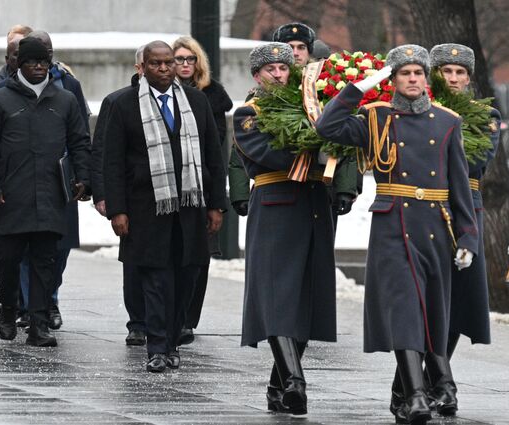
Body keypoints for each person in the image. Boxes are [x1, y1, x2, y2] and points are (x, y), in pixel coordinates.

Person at [315, 44, 479, 424]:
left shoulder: (447, 121)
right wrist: (357, 89)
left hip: (436, 226)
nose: (412, 80)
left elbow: (459, 185)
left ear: (426, 79)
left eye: (418, 73)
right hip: (393, 225)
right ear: (392, 80)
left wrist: (468, 237)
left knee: (431, 311)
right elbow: (327, 126)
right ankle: (418, 394)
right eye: (404, 73)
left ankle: (413, 392)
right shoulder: (375, 117)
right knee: (405, 308)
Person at [103, 41, 226, 373]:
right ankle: (156, 347)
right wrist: (117, 209)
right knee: (156, 280)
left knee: (186, 278)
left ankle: (171, 342)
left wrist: (217, 205)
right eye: (155, 64)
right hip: (145, 209)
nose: (163, 69)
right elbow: (111, 162)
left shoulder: (196, 102)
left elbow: (213, 154)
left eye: (168, 63)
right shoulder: (123, 104)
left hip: (190, 208)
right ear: (142, 66)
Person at [233, 42, 337, 417]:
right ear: (256, 75)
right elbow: (270, 153)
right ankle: (295, 381)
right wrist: (318, 145)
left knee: (306, 299)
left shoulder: (311, 108)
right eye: (270, 69)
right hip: (276, 203)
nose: (278, 74)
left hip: (312, 205)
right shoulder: (248, 112)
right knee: (278, 295)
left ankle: (279, 385)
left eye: (283, 68)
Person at [0, 37, 91, 347]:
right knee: (8, 258)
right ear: (19, 64)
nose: (39, 67)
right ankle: (9, 310)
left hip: (52, 194)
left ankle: (39, 324)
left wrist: (83, 177)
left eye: (44, 62)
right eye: (32, 62)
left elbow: (80, 141)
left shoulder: (64, 99)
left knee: (45, 260)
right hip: (11, 195)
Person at [411, 43, 501, 416]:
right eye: (446, 71)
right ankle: (427, 382)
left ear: (469, 77)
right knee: (427, 298)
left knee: (459, 301)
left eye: (459, 72)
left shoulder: (485, 116)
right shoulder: (419, 114)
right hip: (427, 211)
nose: (452, 78)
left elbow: (476, 161)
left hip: (466, 212)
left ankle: (434, 379)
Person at [229, 22, 360, 221]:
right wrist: (240, 192)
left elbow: (344, 140)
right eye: (290, 48)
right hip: (279, 184)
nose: (296, 53)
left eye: (301, 47)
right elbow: (241, 149)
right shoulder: (258, 97)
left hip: (321, 184)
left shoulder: (323, 90)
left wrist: (346, 188)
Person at [16, 30, 91, 331]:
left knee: (59, 247)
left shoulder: (69, 86)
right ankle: (31, 305)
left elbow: (81, 134)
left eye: (47, 54)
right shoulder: (3, 90)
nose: (42, 61)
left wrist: (84, 177)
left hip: (61, 179)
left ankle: (48, 296)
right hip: (22, 180)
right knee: (24, 248)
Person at [172, 35, 233, 345]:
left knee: (198, 257)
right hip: (167, 183)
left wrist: (216, 201)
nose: (184, 64)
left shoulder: (212, 98)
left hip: (201, 184)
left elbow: (216, 150)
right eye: (179, 59)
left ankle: (187, 319)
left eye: (190, 59)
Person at [91, 45, 147, 346]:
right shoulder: (118, 102)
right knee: (136, 260)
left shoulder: (183, 101)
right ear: (139, 68)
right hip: (131, 195)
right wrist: (105, 196)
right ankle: (137, 321)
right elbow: (103, 151)